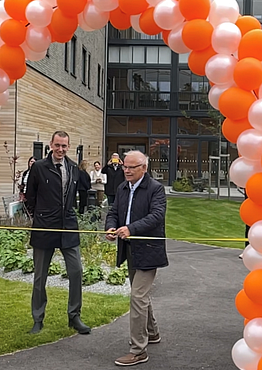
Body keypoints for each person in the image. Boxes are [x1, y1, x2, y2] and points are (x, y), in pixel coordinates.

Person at [105, 151, 168, 367]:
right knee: (140, 296)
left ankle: (138, 350)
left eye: (131, 167)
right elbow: (113, 211)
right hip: (130, 250)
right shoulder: (122, 188)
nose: (126, 170)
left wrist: (131, 228)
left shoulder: (156, 189)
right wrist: (111, 227)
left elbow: (156, 216)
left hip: (149, 250)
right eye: (124, 166)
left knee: (138, 297)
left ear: (144, 168)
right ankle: (152, 333)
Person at [24, 131, 90, 335]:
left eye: (64, 146)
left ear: (68, 147)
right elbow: (30, 197)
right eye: (57, 145)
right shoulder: (39, 168)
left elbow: (81, 193)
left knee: (76, 271)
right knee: (40, 276)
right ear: (51, 145)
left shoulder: (73, 168)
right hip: (44, 227)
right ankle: (38, 318)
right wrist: (40, 216)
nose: (60, 149)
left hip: (68, 227)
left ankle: (74, 316)